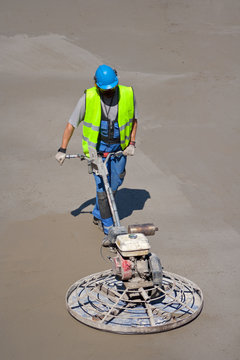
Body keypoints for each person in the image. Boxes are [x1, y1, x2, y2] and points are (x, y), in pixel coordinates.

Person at [55, 64, 138, 244]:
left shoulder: (128, 94)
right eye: (104, 90)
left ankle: (98, 213)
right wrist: (62, 149)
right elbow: (71, 124)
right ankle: (108, 226)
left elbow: (133, 120)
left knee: (116, 182)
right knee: (103, 187)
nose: (108, 92)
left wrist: (132, 143)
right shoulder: (88, 98)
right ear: (96, 85)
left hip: (119, 149)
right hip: (97, 152)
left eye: (111, 89)